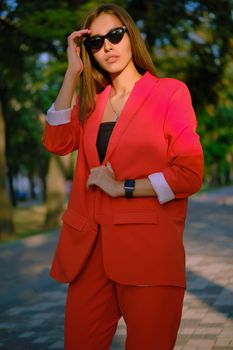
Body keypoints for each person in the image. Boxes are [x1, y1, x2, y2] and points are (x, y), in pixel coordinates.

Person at [43, 3, 204, 350]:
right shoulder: (91, 104)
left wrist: (124, 187)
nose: (107, 47)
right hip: (90, 254)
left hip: (148, 250)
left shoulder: (170, 93)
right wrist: (72, 73)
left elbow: (189, 173)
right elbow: (55, 142)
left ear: (131, 36)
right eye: (96, 42)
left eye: (114, 35)